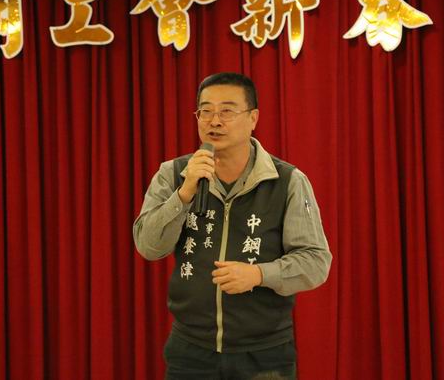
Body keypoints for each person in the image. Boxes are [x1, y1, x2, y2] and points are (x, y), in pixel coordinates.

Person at [133, 72, 332, 379]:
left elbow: (316, 262)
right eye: (206, 111)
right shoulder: (174, 174)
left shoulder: (287, 180)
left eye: (226, 111)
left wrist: (259, 274)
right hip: (190, 350)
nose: (214, 121)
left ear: (253, 118)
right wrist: (184, 194)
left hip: (264, 354)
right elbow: (148, 247)